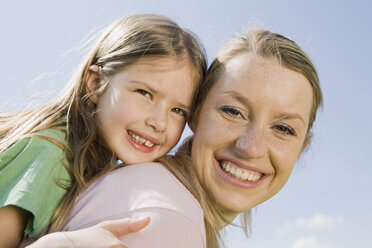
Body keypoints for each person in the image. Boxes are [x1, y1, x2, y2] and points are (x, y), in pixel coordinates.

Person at [28, 29, 323, 248]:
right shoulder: (168, 219)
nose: (250, 147)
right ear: (194, 113)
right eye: (233, 111)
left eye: (284, 129)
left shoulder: (156, 193)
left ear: (302, 147)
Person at [0, 14, 207, 248]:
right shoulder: (53, 156)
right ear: (96, 83)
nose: (159, 122)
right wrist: (67, 243)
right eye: (144, 93)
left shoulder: (93, 165)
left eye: (178, 110)